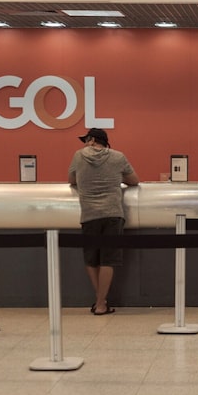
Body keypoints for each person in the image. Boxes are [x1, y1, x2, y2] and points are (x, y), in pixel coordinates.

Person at [68, 128, 139, 315]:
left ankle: (100, 301)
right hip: (112, 213)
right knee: (109, 259)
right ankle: (101, 304)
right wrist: (115, 176)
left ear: (92, 140)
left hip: (89, 214)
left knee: (91, 259)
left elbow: (71, 180)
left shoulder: (78, 156)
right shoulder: (118, 157)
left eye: (86, 140)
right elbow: (134, 181)